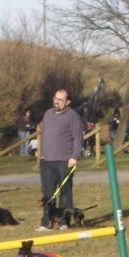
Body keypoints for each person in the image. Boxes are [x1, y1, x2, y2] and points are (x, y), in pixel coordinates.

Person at [36, 88, 84, 231]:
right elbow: (45, 135)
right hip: (47, 161)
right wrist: (42, 154)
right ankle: (46, 222)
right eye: (55, 98)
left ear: (67, 102)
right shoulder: (48, 114)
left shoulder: (73, 116)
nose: (57, 101)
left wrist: (75, 156)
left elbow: (78, 137)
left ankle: (64, 222)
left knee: (65, 192)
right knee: (48, 194)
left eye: (60, 99)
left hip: (65, 160)